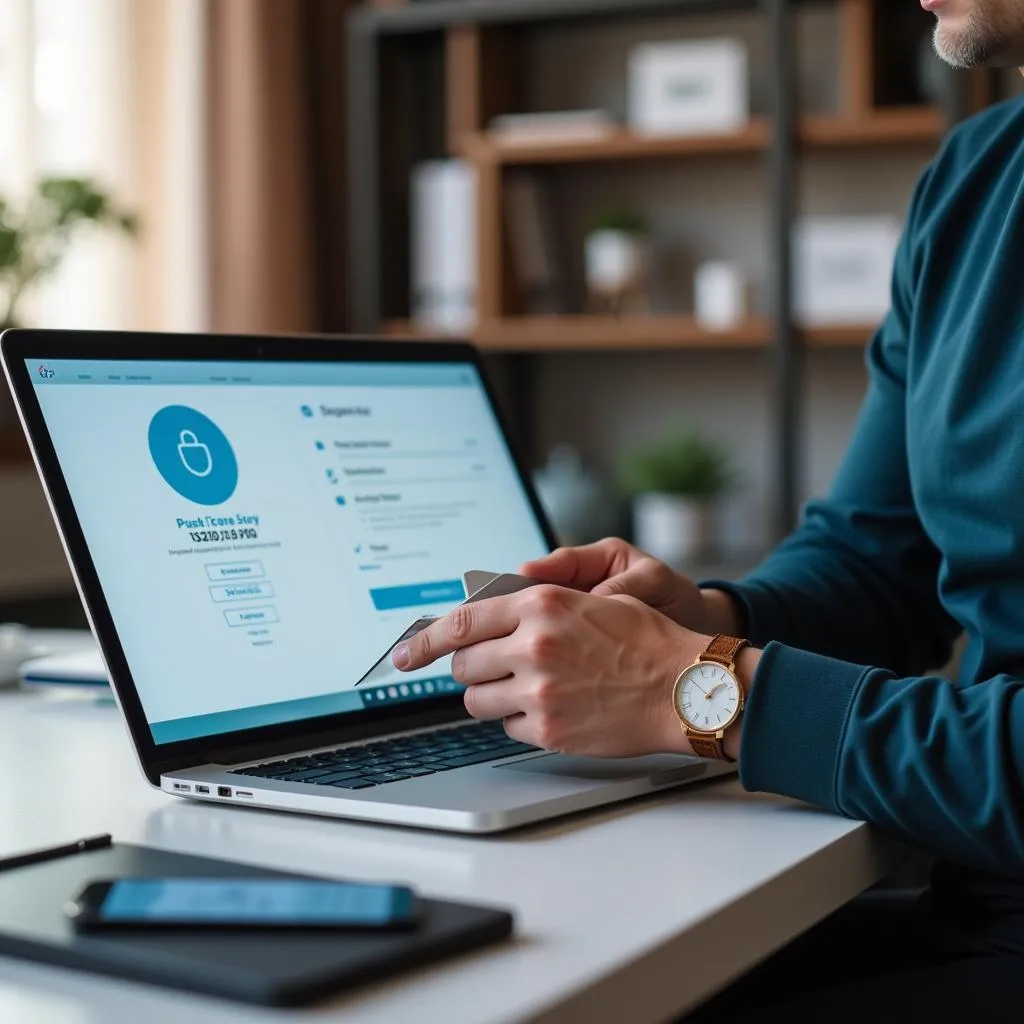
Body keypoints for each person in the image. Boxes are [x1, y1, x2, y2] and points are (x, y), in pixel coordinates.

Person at [393, 2, 1024, 1020]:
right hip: (975, 903)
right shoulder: (973, 180)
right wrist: (701, 624)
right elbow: (875, 560)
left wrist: (704, 692)